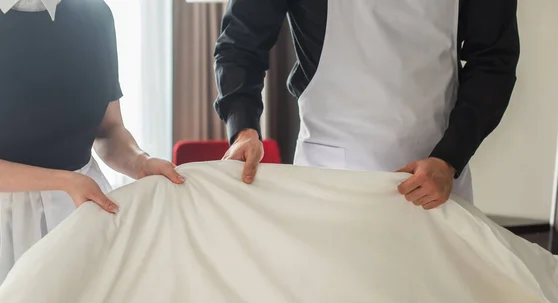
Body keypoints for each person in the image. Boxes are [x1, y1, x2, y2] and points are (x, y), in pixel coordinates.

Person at [214, 0, 519, 209]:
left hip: (437, 183)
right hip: (330, 185)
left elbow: (493, 61)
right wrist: (243, 128)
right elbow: (239, 45)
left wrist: (449, 158)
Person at [0, 0, 184, 282]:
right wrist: (64, 182)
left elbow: (108, 129)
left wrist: (140, 162)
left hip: (82, 214)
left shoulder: (95, 14)